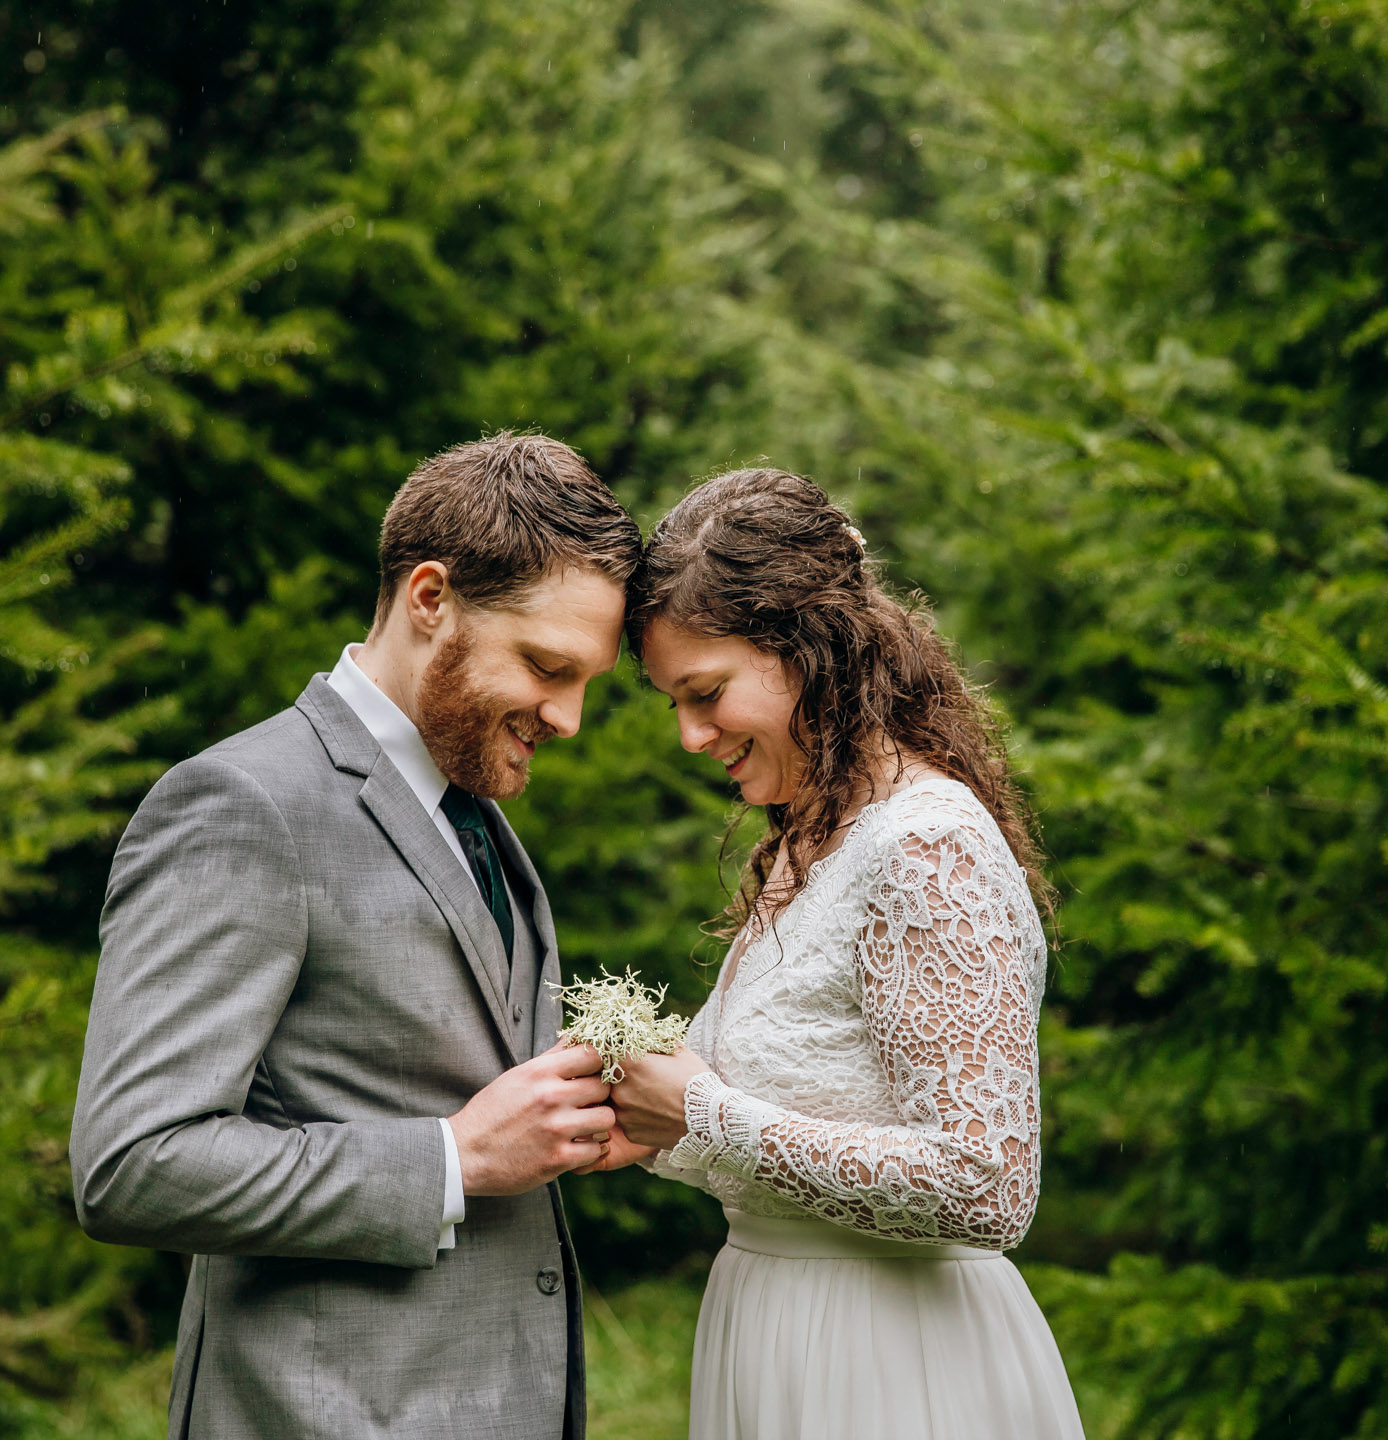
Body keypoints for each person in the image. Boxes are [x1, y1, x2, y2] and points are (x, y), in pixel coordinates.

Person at [70, 433, 638, 1440]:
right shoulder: (241, 805)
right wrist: (453, 1160)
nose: (571, 717)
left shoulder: (471, 809)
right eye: (548, 667)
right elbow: (135, 1163)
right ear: (431, 600)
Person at [601, 468, 1088, 1440]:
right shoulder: (807, 839)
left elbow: (985, 1184)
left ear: (808, 648)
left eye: (705, 694)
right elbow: (794, 1127)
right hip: (773, 1335)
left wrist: (701, 1107)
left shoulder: (925, 845)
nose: (692, 737)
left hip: (893, 1363)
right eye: (672, 706)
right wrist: (648, 1127)